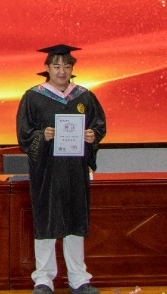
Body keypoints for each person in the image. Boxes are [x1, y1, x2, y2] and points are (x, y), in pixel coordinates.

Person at [16, 45, 106, 294]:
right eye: (56, 66)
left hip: (75, 170)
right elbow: (24, 134)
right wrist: (41, 135)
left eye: (67, 66)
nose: (62, 71)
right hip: (47, 171)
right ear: (47, 68)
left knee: (75, 222)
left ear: (72, 69)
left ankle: (79, 278)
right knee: (46, 222)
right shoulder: (33, 97)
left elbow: (99, 125)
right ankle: (43, 280)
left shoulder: (84, 97)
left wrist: (92, 135)